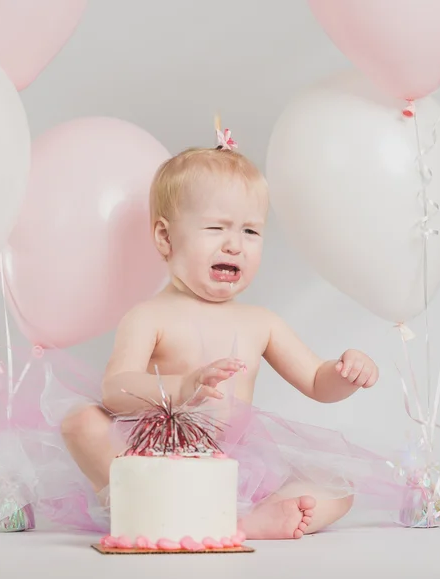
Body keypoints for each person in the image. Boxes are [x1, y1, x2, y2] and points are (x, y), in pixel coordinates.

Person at [62, 126, 382, 540]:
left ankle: (237, 524)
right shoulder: (148, 316)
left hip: (232, 469)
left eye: (250, 231)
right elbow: (115, 390)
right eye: (216, 228)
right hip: (153, 464)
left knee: (338, 486)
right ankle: (150, 508)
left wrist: (345, 372)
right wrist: (182, 387)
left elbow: (318, 383)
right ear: (165, 237)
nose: (235, 245)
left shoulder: (260, 322)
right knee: (79, 422)